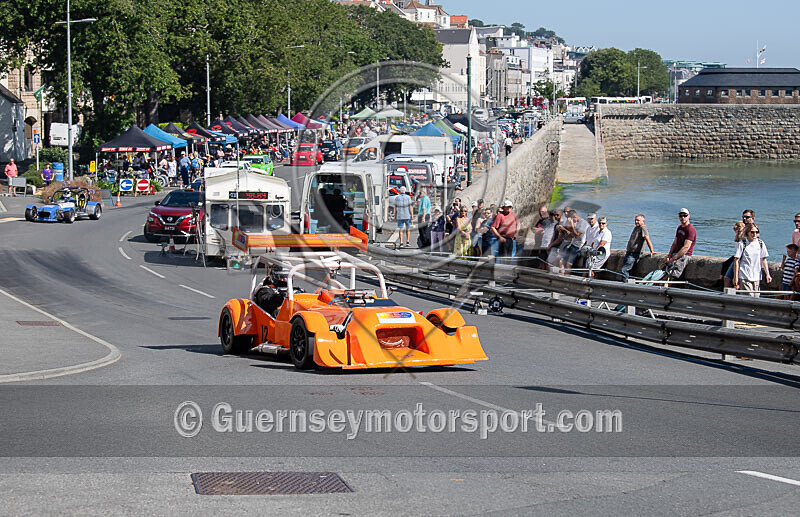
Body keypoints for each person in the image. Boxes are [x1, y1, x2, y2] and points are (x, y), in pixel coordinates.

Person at [733, 222, 771, 297]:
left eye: (756, 232)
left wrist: (768, 274)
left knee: (756, 297)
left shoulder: (760, 243)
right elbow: (736, 260)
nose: (754, 234)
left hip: (756, 275)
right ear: (747, 233)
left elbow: (763, 259)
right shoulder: (742, 244)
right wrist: (736, 277)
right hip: (745, 275)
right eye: (752, 232)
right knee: (749, 296)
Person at [620, 214, 655, 280]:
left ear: (643, 221)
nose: (636, 222)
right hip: (629, 253)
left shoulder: (643, 228)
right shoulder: (636, 228)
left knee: (624, 270)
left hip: (634, 254)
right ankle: (627, 282)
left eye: (638, 220)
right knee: (627, 270)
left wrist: (652, 251)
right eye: (635, 220)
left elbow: (647, 239)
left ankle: (625, 284)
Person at [666, 208, 697, 279]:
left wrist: (675, 258)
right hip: (675, 254)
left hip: (683, 256)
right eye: (681, 216)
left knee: (673, 276)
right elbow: (675, 243)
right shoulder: (679, 227)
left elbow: (686, 247)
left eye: (685, 215)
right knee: (664, 272)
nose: (683, 217)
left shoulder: (690, 229)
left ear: (689, 216)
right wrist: (669, 255)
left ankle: (670, 285)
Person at [720, 221, 746, 288]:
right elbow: (736, 240)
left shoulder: (745, 238)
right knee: (727, 278)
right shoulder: (739, 237)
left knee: (732, 280)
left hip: (740, 259)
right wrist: (738, 233)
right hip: (736, 258)